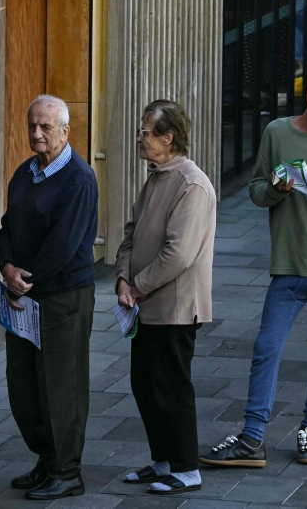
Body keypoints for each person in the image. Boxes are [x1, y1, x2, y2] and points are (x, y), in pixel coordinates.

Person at [199, 70, 307, 468]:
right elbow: (257, 191)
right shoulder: (276, 132)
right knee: (266, 348)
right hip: (289, 261)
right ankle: (253, 435)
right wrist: (278, 187)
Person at [0, 95, 98, 500]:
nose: (37, 134)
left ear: (65, 132)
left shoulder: (79, 178)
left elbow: (63, 244)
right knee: (23, 384)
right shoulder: (25, 173)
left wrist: (25, 280)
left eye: (46, 127)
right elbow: (7, 227)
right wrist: (7, 267)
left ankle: (67, 470)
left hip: (62, 296)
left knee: (62, 386)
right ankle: (46, 458)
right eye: (32, 126)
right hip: (22, 294)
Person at [115, 101, 216, 496]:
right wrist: (123, 279)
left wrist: (135, 286)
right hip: (144, 304)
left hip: (174, 307)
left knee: (171, 386)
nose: (140, 138)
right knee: (144, 383)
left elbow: (178, 253)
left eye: (145, 132)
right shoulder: (156, 176)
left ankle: (187, 468)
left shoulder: (191, 184)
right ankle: (162, 460)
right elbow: (130, 233)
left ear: (167, 137)